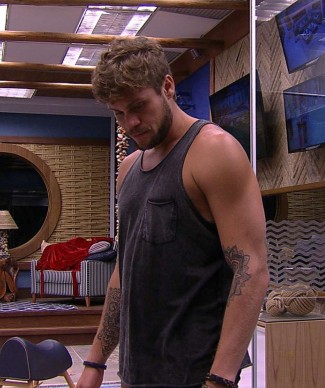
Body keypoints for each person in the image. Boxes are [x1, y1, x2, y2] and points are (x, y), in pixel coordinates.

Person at [76, 36, 270, 388]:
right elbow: (124, 271)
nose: (130, 122)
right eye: (119, 113)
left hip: (195, 372)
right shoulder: (129, 168)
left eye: (139, 106)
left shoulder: (214, 151)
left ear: (167, 87)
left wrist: (220, 379)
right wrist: (95, 361)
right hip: (137, 370)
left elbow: (251, 269)